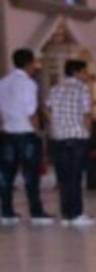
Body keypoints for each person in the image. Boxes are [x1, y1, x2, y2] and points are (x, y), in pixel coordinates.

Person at [0, 48, 52, 225]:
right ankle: (36, 213)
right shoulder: (29, 84)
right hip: (25, 133)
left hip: (7, 133)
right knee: (31, 175)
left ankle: (6, 212)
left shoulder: (3, 82)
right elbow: (31, 111)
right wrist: (38, 132)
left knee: (6, 176)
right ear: (29, 63)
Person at [46, 59, 95, 226]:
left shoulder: (55, 88)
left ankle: (66, 214)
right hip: (77, 136)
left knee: (64, 177)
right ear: (76, 72)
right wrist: (87, 132)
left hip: (59, 137)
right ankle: (77, 214)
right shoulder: (82, 89)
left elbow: (48, 109)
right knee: (75, 176)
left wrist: (56, 124)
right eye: (84, 71)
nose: (86, 75)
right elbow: (87, 113)